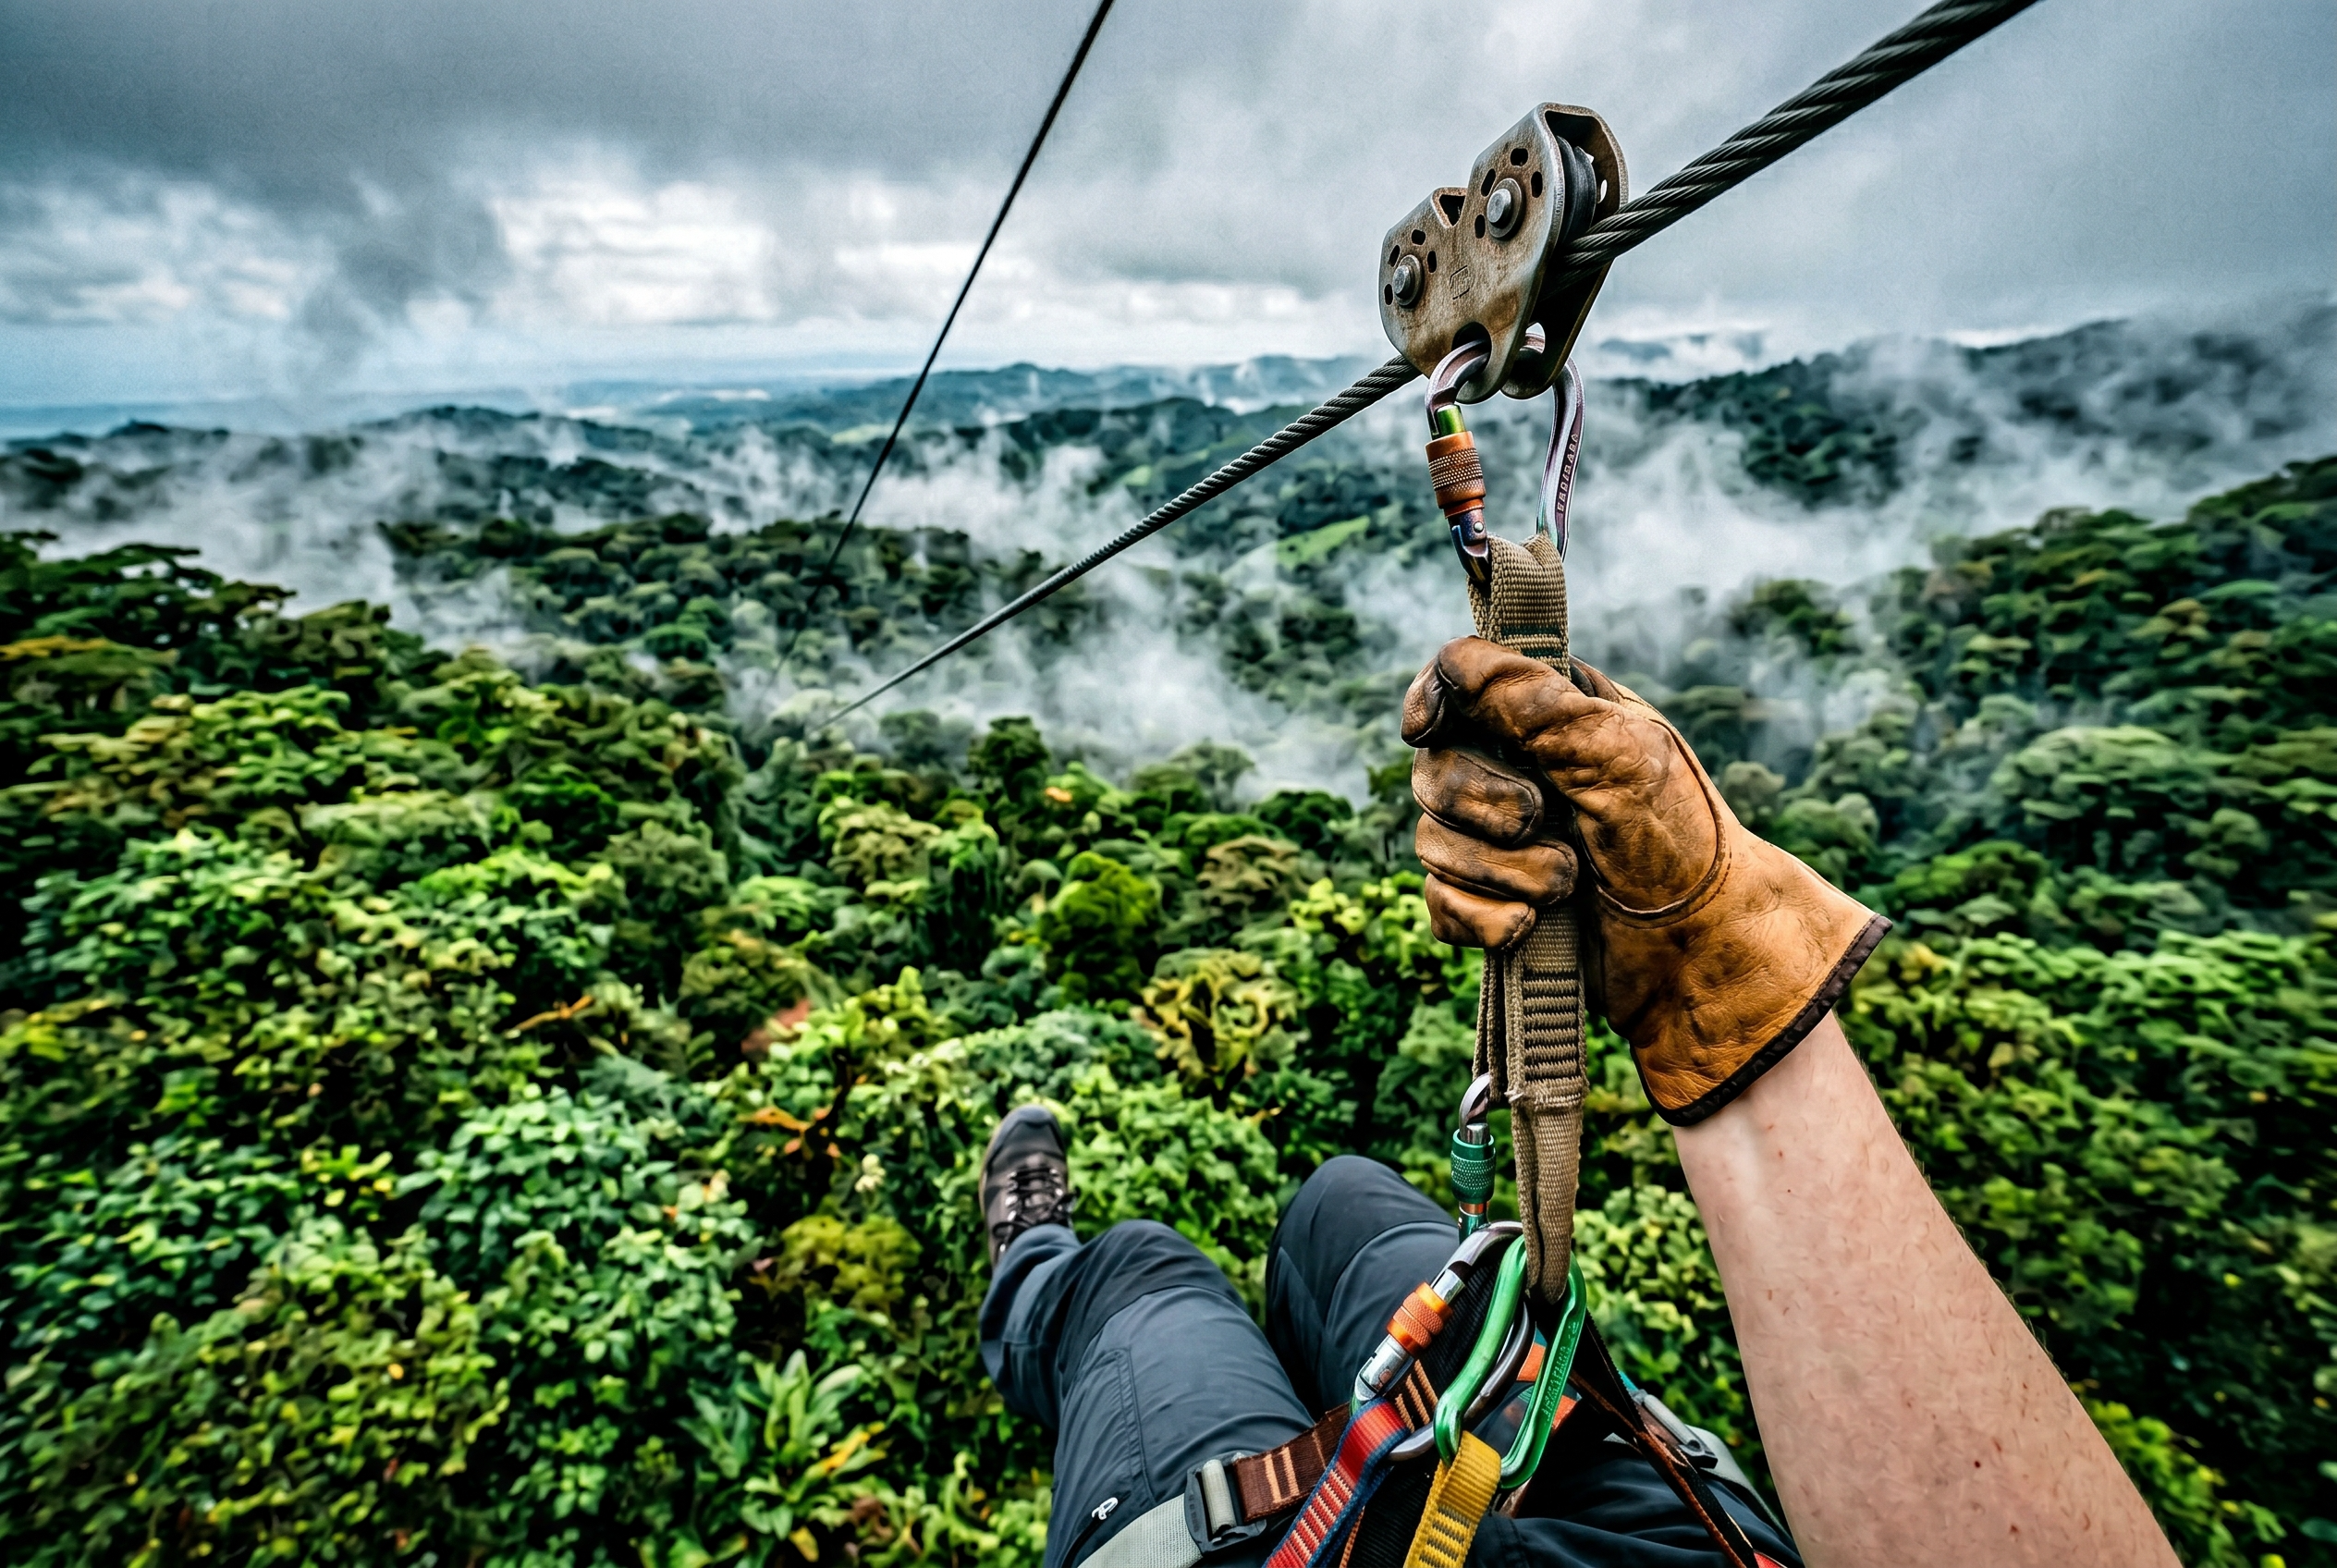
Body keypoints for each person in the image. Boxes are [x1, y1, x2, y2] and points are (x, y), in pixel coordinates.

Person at [977, 638, 2178, 1568]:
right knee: (1343, 1202)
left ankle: (1033, 1275)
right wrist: (1705, 974)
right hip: (1639, 1530)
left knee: (1137, 1274)